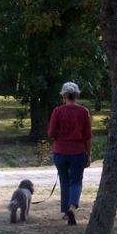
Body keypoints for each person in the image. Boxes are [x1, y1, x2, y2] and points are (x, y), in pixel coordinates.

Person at [48, 81, 93, 226]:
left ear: (63, 96)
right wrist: (89, 155)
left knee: (64, 181)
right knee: (76, 181)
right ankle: (72, 207)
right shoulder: (83, 112)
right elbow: (88, 136)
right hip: (78, 151)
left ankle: (65, 212)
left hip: (60, 152)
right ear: (77, 95)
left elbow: (51, 133)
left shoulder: (57, 111)